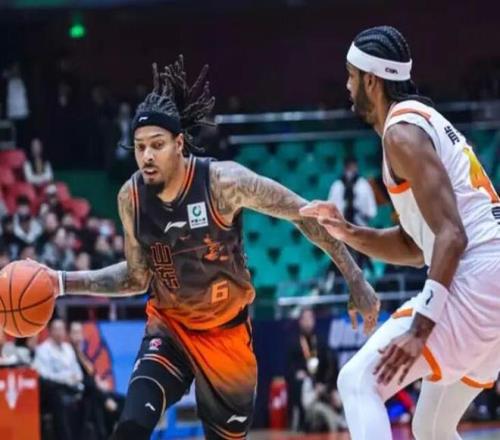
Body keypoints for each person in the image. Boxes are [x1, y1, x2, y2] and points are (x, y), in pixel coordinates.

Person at [38, 55, 379, 440]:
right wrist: (61, 282)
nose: (147, 156)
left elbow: (305, 216)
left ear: (179, 144)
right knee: (130, 428)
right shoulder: (131, 198)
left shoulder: (223, 183)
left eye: (157, 145)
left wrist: (356, 279)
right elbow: (137, 277)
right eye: (139, 147)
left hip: (226, 338)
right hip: (170, 329)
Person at [301, 25, 500, 440]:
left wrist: (419, 329)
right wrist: (348, 231)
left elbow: (452, 236)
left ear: (371, 81)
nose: (347, 85)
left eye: (351, 76)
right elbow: (416, 245)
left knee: (358, 381)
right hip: (490, 278)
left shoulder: (401, 133)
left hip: (478, 277)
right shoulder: (417, 125)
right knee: (432, 427)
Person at [286, 308, 344, 433]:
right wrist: (303, 376)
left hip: (322, 385)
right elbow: (291, 368)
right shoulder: (294, 342)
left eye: (310, 318)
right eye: (305, 319)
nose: (308, 322)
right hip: (307, 387)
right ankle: (305, 422)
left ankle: (340, 419)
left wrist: (328, 387)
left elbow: (330, 367)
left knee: (338, 396)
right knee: (305, 385)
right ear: (300, 321)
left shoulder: (320, 342)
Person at [33, 319, 84, 440]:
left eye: (62, 329)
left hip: (72, 387)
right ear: (50, 331)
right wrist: (65, 378)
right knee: (56, 395)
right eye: (56, 329)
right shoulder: (43, 350)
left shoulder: (68, 348)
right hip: (54, 390)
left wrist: (74, 379)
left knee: (89, 394)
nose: (59, 332)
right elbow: (44, 375)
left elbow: (78, 372)